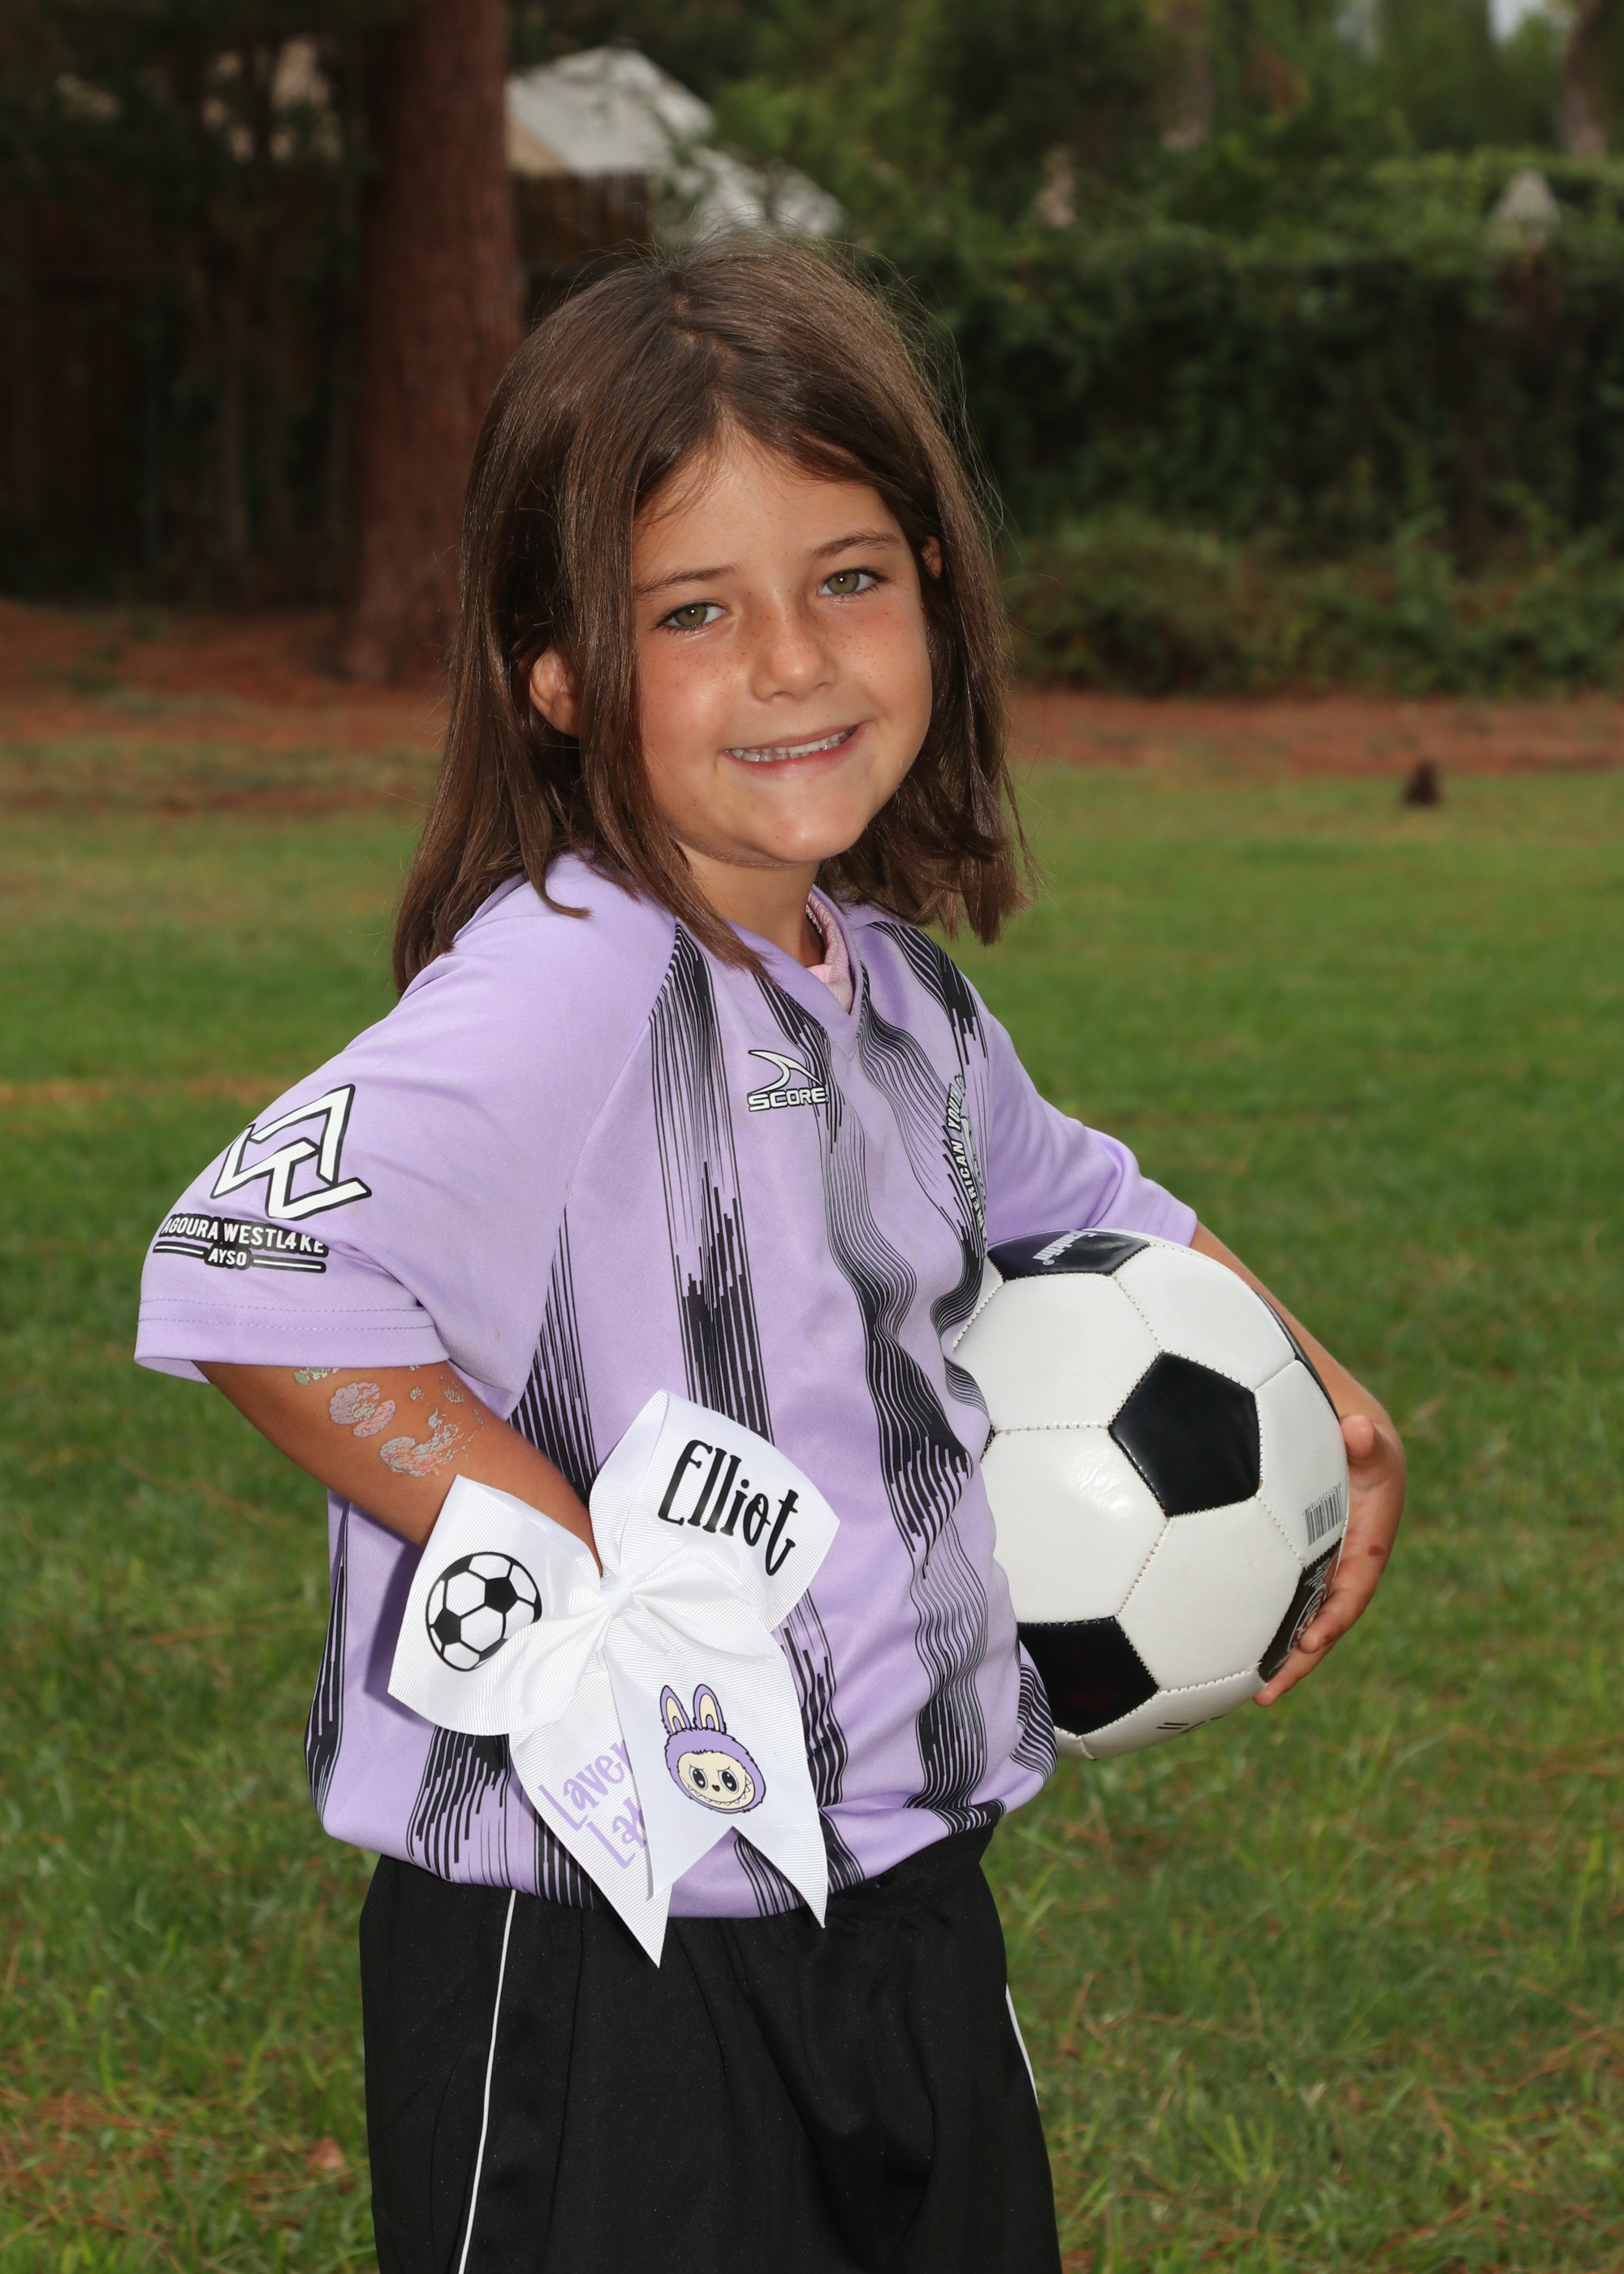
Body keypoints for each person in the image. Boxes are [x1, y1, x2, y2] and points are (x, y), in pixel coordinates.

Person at [134, 237, 1406, 2274]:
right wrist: (575, 1566)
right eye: (695, 610)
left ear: (937, 589)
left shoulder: (897, 998)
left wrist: (1313, 1377)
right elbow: (251, 1266)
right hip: (594, 1940)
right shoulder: (566, 981)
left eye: (850, 577)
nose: (797, 660)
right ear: (557, 669)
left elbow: (1074, 1192)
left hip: (898, 1897)